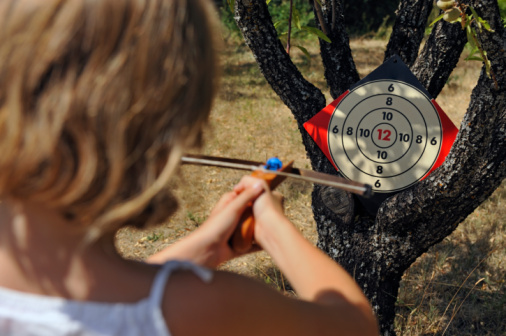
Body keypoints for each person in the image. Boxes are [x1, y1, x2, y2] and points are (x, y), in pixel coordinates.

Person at [0, 0, 379, 335]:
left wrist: (203, 246)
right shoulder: (201, 306)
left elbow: (86, 304)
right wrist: (273, 228)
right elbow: (354, 325)